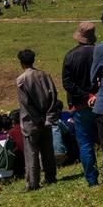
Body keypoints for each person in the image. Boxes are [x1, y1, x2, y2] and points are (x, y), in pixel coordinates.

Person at [15, 49, 60, 191]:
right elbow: (53, 96)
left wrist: (36, 118)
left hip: (31, 122)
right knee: (47, 150)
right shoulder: (44, 75)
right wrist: (48, 116)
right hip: (46, 119)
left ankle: (33, 183)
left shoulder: (21, 80)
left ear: (21, 63)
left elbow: (26, 104)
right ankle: (51, 177)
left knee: (31, 153)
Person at [61, 22, 99, 187]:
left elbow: (68, 84)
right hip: (101, 102)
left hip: (79, 105)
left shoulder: (70, 56)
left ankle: (92, 179)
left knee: (85, 143)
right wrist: (95, 94)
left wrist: (85, 95)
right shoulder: (99, 52)